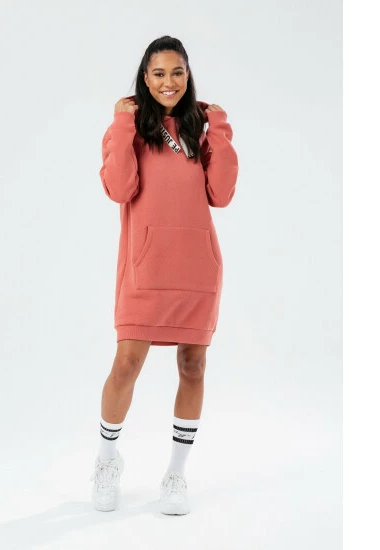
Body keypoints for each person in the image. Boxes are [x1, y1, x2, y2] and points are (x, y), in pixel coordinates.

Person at [90, 35, 238, 515]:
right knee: (126, 364)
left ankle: (176, 474)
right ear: (145, 78)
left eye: (177, 72)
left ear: (188, 75)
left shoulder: (201, 129)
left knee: (193, 367)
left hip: (196, 268)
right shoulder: (130, 128)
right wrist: (121, 123)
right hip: (144, 269)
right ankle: (107, 459)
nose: (168, 82)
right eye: (158, 73)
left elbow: (222, 193)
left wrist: (219, 128)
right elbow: (119, 188)